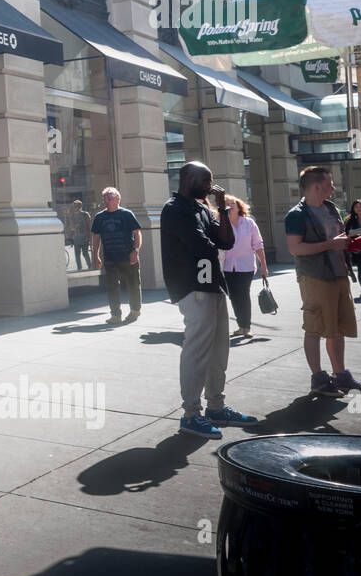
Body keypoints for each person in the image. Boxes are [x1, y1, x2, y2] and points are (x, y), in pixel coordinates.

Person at [161, 162, 259, 439]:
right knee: (197, 349)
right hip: (192, 286)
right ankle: (191, 414)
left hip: (214, 284)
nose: (210, 186)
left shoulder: (204, 208)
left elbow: (226, 243)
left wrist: (222, 209)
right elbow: (201, 244)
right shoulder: (174, 209)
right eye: (206, 180)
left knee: (219, 351)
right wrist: (216, 234)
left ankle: (216, 407)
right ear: (189, 178)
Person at [285, 167, 361, 396]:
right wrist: (331, 244)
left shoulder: (331, 208)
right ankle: (318, 379)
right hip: (315, 277)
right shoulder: (296, 214)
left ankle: (340, 375)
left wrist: (350, 243)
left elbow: (337, 239)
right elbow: (296, 249)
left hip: (339, 274)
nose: (333, 187)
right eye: (330, 183)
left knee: (338, 328)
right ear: (316, 186)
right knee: (315, 328)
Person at [90, 187, 142, 324]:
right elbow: (96, 237)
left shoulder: (126, 214)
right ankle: (115, 315)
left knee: (133, 284)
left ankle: (135, 310)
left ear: (118, 198)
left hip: (128, 256)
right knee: (112, 287)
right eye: (105, 197)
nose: (107, 199)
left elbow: (137, 233)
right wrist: (95, 255)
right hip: (110, 258)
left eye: (110, 196)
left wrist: (135, 251)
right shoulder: (99, 217)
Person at [219, 194, 268, 339]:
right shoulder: (219, 223)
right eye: (226, 203)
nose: (229, 205)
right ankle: (241, 326)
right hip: (227, 267)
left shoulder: (249, 223)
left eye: (232, 203)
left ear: (239, 206)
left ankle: (246, 327)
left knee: (243, 294)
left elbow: (258, 244)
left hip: (245, 266)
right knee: (234, 296)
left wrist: (264, 266)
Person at [345, 199, 361, 300]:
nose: (359, 208)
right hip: (358, 250)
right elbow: (347, 234)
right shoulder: (350, 220)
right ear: (353, 209)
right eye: (356, 207)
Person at [67, 199, 93, 271]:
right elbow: (71, 227)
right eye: (74, 206)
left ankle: (90, 266)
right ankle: (79, 268)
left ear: (80, 207)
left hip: (85, 237)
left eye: (77, 206)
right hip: (76, 238)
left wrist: (89, 237)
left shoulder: (85, 214)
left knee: (85, 253)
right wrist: (71, 232)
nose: (75, 208)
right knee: (77, 254)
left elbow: (89, 226)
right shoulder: (72, 216)